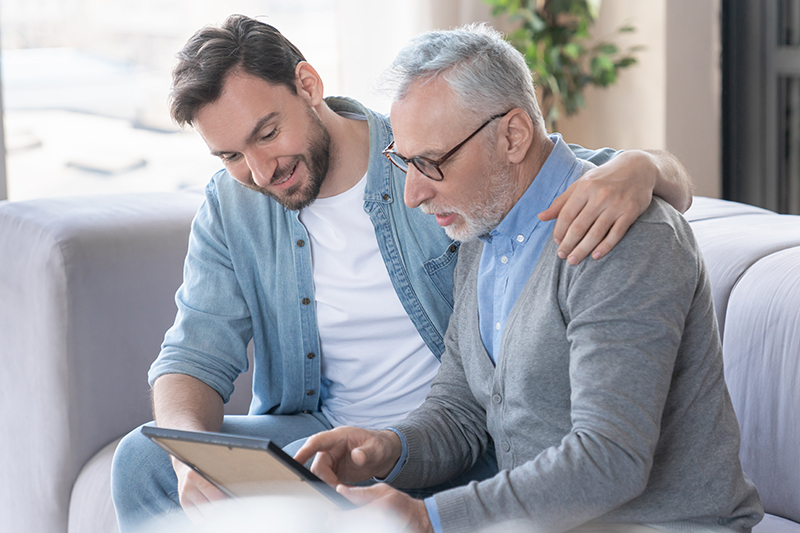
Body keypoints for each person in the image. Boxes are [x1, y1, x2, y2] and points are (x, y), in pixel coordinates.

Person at [110, 15, 695, 532]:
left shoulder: (433, 153)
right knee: (143, 461)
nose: (260, 171)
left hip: (466, 447)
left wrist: (645, 166)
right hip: (352, 441)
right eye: (232, 156)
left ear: (308, 86)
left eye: (266, 134)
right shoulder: (237, 204)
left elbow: (556, 169)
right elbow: (192, 353)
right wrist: (194, 460)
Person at [295, 23, 763, 533]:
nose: (413, 195)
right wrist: (385, 448)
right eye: (404, 163)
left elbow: (610, 459)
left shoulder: (620, 235)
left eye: (430, 164)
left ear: (513, 136)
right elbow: (461, 412)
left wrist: (431, 518)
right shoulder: (479, 227)